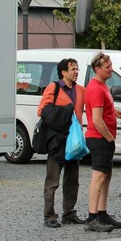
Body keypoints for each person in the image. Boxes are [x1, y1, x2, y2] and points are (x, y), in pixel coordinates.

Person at [38, 58, 85, 228]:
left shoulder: (80, 90)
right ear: (63, 72)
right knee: (52, 180)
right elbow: (42, 111)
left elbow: (94, 104)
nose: (76, 72)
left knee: (73, 180)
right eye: (73, 69)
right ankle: (49, 216)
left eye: (77, 68)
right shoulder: (54, 88)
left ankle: (69, 214)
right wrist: (65, 111)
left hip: (74, 141)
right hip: (58, 141)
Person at [84, 52, 121, 233]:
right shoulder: (95, 88)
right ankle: (92, 217)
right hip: (99, 138)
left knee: (106, 175)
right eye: (107, 67)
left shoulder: (103, 86)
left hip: (103, 137)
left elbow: (102, 109)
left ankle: (102, 213)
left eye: (111, 66)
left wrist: (114, 111)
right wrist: (109, 137)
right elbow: (96, 120)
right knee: (98, 176)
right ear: (97, 69)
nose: (111, 70)